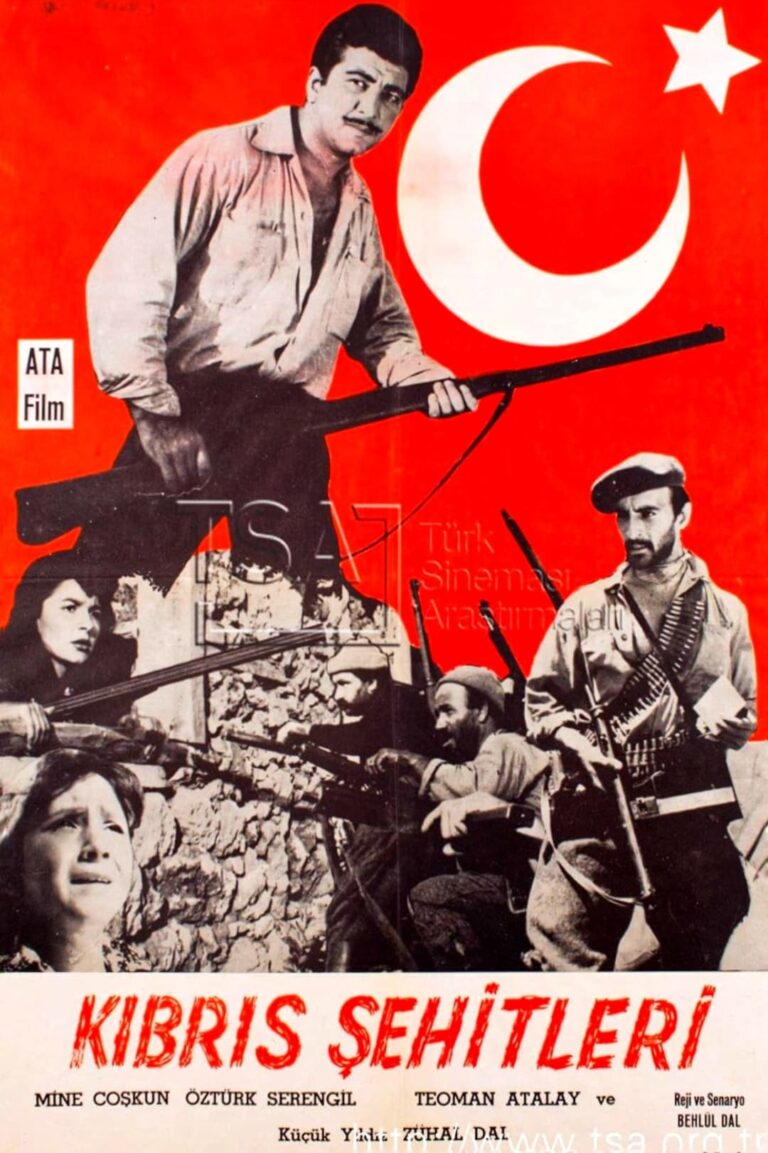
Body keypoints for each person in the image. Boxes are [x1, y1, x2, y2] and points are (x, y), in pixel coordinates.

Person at [82, 4, 474, 592]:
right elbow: (127, 275)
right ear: (316, 83)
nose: (371, 109)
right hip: (192, 418)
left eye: (391, 96)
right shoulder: (224, 157)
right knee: (105, 601)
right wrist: (154, 416)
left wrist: (425, 379)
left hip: (289, 437)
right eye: (358, 82)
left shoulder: (359, 209)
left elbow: (383, 330)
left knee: (305, 611)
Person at [524, 452, 756, 970]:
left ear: (682, 514)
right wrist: (578, 743)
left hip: (690, 803)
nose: (632, 530)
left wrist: (728, 725)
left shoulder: (725, 611)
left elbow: (746, 713)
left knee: (706, 932)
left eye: (648, 513)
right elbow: (540, 703)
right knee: (556, 924)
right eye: (623, 516)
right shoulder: (585, 607)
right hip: (602, 800)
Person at [372, 665, 549, 970]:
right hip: (523, 883)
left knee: (429, 897)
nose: (439, 724)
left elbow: (473, 786)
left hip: (533, 885)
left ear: (481, 711)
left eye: (448, 711)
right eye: (437, 714)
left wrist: (412, 762)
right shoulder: (486, 755)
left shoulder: (506, 745)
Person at [279, 641, 439, 971]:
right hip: (403, 823)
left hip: (399, 823)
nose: (336, 694)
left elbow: (362, 737)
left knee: (347, 910)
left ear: (372, 682)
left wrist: (307, 731)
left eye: (344, 683)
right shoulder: (393, 704)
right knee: (365, 914)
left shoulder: (400, 704)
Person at [0, 749, 143, 972]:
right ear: (14, 853)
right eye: (67, 824)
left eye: (113, 827)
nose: (98, 847)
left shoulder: (136, 970)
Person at [0, 551, 137, 749]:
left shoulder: (98, 679)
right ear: (34, 614)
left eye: (95, 613)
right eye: (70, 608)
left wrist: (130, 726)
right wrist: (8, 711)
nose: (88, 625)